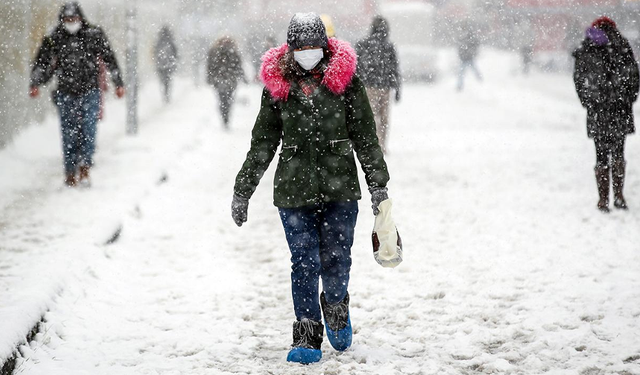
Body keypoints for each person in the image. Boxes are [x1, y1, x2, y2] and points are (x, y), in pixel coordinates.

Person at [231, 13, 390, 364]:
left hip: (341, 190)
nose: (307, 52)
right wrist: (243, 189)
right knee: (303, 261)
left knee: (336, 259)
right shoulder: (278, 87)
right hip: (293, 191)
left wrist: (378, 186)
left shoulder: (347, 83)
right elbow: (262, 142)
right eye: (301, 47)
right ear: (291, 49)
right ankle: (306, 335)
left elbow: (366, 139)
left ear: (325, 46)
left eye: (313, 46)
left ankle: (335, 305)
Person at [29, 2, 125, 187]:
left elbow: (109, 58)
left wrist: (118, 83)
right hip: (66, 93)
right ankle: (70, 171)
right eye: (67, 20)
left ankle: (85, 167)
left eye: (74, 19)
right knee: (68, 133)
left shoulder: (94, 34)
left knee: (88, 130)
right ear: (62, 20)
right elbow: (42, 62)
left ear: (81, 18)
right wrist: (35, 82)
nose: (71, 23)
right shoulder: (54, 37)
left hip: (90, 91)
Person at [573, 16, 639, 212]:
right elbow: (634, 76)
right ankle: (618, 195)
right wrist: (627, 98)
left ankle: (603, 200)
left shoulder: (588, 47)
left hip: (598, 110)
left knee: (600, 155)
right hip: (620, 109)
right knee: (619, 152)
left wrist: (588, 101)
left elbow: (579, 78)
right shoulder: (622, 45)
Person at [355, 15, 401, 154]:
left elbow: (356, 68)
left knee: (370, 117)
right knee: (384, 119)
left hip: (368, 87)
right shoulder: (389, 47)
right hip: (385, 87)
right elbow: (395, 68)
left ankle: (372, 145)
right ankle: (382, 145)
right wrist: (397, 88)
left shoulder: (363, 44)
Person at [206, 36, 246, 129]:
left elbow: (210, 66)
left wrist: (209, 77)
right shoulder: (234, 51)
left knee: (222, 99)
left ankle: (224, 116)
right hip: (230, 80)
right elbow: (238, 66)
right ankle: (226, 116)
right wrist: (243, 77)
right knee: (228, 99)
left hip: (219, 79)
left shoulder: (214, 51)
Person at [154, 26, 178, 103]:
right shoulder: (170, 41)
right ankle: (167, 93)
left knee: (163, 80)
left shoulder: (159, 41)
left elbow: (155, 52)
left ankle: (165, 93)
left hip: (160, 65)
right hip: (169, 64)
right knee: (168, 80)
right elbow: (175, 52)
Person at [456, 21, 482, 91]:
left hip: (467, 57)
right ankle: (460, 85)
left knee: (463, 72)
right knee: (464, 72)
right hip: (466, 58)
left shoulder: (466, 38)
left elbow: (476, 43)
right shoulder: (465, 38)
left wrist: (471, 51)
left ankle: (480, 81)